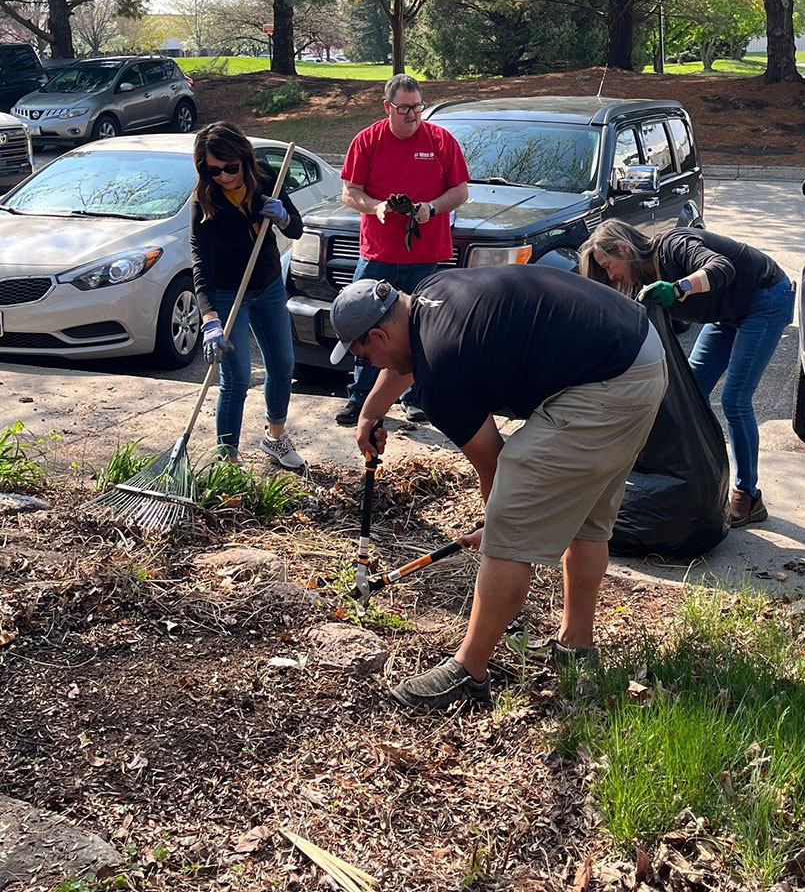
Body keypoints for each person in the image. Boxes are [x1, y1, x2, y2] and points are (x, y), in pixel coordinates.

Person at [328, 267, 668, 710]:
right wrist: (370, 412)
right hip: (638, 355)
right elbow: (406, 360)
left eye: (363, 356)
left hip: (606, 385)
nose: (369, 366)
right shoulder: (429, 294)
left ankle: (468, 673)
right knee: (587, 518)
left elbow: (494, 462)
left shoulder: (441, 376)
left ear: (377, 335)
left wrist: (497, 525)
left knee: (509, 532)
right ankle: (576, 646)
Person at [583, 220, 794, 528]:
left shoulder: (673, 245)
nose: (611, 274)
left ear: (624, 249)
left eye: (609, 265)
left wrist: (679, 287)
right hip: (725, 311)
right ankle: (702, 475)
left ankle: (748, 496)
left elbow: (722, 268)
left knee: (735, 399)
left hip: (764, 299)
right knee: (690, 392)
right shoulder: (643, 283)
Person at [334, 73, 469, 427]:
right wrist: (374, 206)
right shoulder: (368, 140)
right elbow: (350, 190)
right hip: (377, 254)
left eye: (418, 107)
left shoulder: (440, 140)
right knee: (366, 328)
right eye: (404, 108)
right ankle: (359, 398)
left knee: (418, 330)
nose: (413, 115)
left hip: (424, 255)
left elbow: (460, 191)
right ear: (387, 107)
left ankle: (414, 397)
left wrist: (432, 208)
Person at [189, 121, 305, 470]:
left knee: (282, 364)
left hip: (267, 284)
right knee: (236, 378)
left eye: (230, 168)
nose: (224, 176)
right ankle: (228, 460)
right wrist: (210, 320)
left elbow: (296, 226)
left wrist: (283, 217)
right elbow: (200, 265)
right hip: (227, 293)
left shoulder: (267, 177)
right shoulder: (205, 202)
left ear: (244, 157)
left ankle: (275, 438)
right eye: (214, 170)